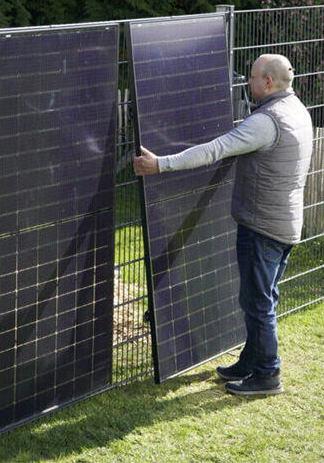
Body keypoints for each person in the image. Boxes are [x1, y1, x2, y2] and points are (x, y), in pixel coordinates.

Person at [133, 54, 313, 396]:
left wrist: (161, 164)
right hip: (286, 222)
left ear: (269, 82)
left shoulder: (267, 121)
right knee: (263, 299)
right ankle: (250, 362)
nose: (248, 82)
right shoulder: (297, 111)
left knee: (258, 304)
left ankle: (267, 375)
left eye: (252, 77)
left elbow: (215, 150)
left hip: (263, 228)